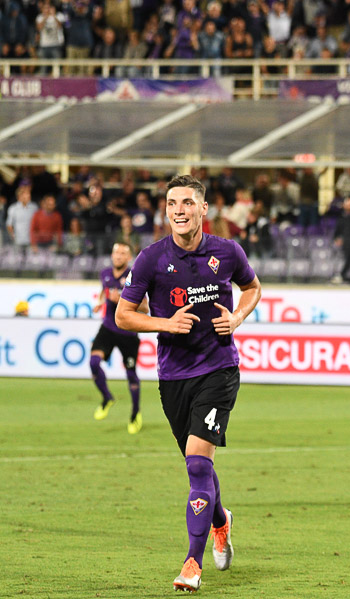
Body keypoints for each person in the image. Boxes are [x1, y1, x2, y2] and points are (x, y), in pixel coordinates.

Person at [116, 175, 262, 592]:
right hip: (174, 377)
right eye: (172, 203)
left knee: (199, 462)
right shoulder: (150, 259)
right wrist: (165, 323)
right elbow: (124, 315)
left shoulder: (227, 251)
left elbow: (252, 288)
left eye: (187, 203)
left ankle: (191, 564)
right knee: (199, 467)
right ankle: (220, 521)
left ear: (203, 210)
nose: (179, 210)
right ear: (167, 211)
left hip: (219, 369)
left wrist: (236, 318)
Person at [91, 242, 147, 434]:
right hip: (107, 328)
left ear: (129, 257)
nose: (118, 256)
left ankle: (135, 414)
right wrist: (100, 303)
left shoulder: (135, 276)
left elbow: (145, 307)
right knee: (93, 362)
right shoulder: (105, 273)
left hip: (127, 332)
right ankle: (107, 398)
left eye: (123, 253)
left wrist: (121, 300)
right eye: (116, 252)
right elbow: (103, 291)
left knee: (131, 374)